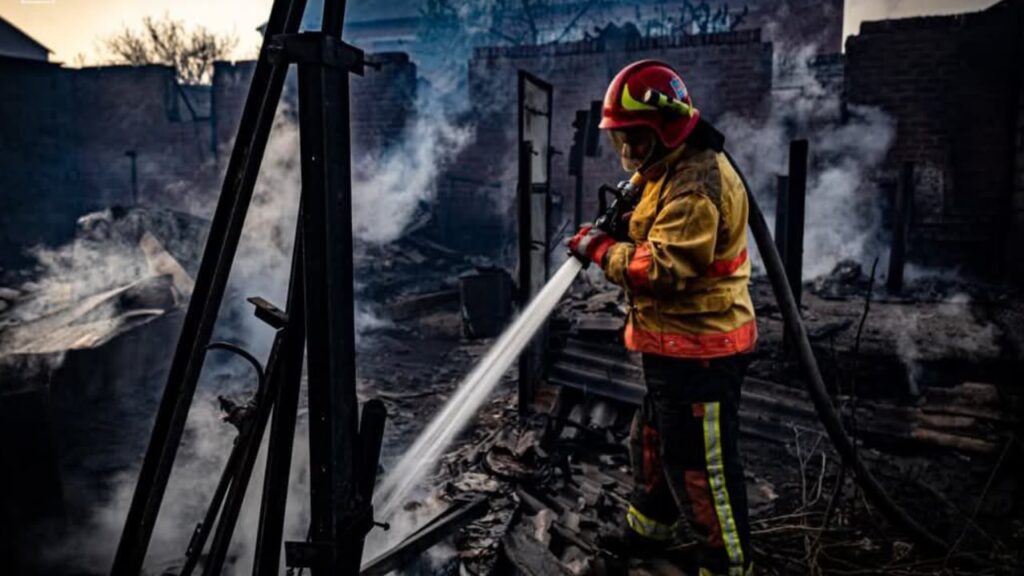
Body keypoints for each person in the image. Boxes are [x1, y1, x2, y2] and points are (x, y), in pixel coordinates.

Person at [568, 60, 756, 576]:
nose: (627, 154)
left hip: (704, 354)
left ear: (666, 130)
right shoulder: (668, 166)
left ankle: (727, 566)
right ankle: (650, 528)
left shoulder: (696, 186)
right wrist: (619, 224)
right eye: (621, 141)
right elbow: (648, 220)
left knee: (702, 471)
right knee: (651, 442)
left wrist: (604, 249)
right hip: (673, 347)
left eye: (636, 140)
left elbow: (665, 267)